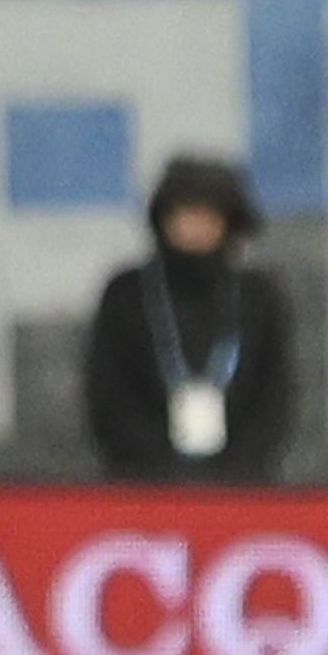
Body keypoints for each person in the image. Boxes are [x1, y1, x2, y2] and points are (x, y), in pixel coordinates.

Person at [84, 154, 292, 480]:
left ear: (230, 222)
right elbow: (108, 392)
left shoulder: (257, 297)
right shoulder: (127, 295)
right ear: (163, 218)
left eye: (209, 215)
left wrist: (239, 469)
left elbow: (275, 395)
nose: (196, 226)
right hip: (142, 481)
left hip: (243, 486)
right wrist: (157, 466)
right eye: (186, 213)